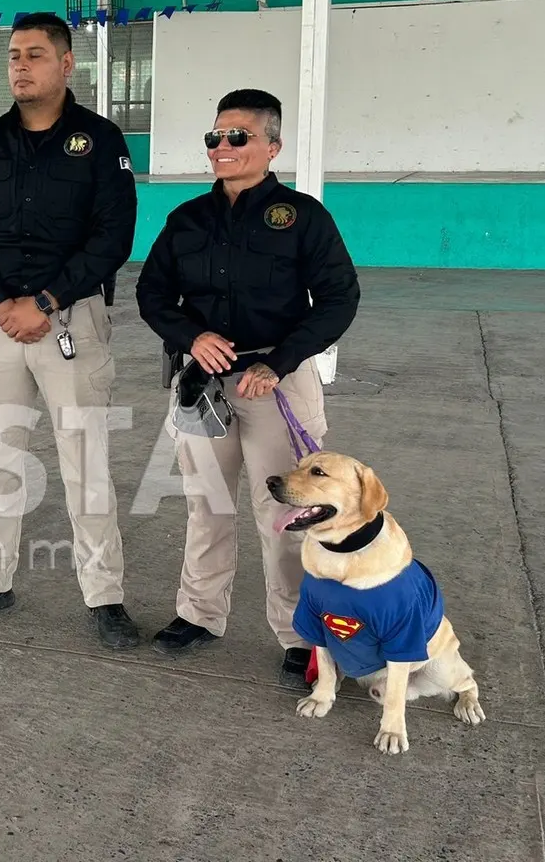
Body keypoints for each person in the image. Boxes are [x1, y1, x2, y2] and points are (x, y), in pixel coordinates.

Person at [135, 88, 360, 680]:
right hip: (203, 383)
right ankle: (199, 614)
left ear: (271, 146)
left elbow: (339, 299)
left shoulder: (302, 217)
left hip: (276, 383)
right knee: (205, 507)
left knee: (284, 515)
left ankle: (298, 633)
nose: (223, 147)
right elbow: (151, 295)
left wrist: (278, 361)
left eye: (238, 137)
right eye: (215, 137)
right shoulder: (187, 220)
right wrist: (192, 337)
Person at [0, 11, 140, 648]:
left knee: (86, 462)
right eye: (13, 56)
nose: (20, 66)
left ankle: (104, 595)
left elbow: (113, 237)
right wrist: (1, 302)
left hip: (70, 319)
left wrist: (48, 300)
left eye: (34, 54)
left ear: (65, 64)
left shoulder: (102, 141)